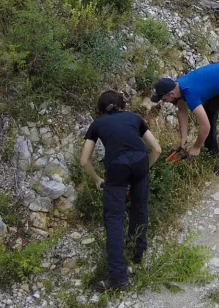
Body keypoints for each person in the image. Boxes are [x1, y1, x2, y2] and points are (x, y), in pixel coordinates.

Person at [79, 90, 162, 293]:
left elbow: (84, 161)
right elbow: (157, 149)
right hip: (140, 160)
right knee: (139, 206)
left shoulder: (97, 124)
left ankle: (118, 278)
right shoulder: (134, 117)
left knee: (114, 218)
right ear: (122, 105)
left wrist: (98, 179)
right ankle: (137, 253)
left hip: (116, 167)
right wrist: (144, 170)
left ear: (100, 110)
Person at [150, 62, 219, 177]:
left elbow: (205, 126)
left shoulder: (190, 94)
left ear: (171, 94)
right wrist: (184, 138)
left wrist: (196, 147)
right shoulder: (178, 86)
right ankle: (212, 151)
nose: (164, 101)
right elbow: (182, 111)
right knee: (209, 112)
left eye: (163, 98)